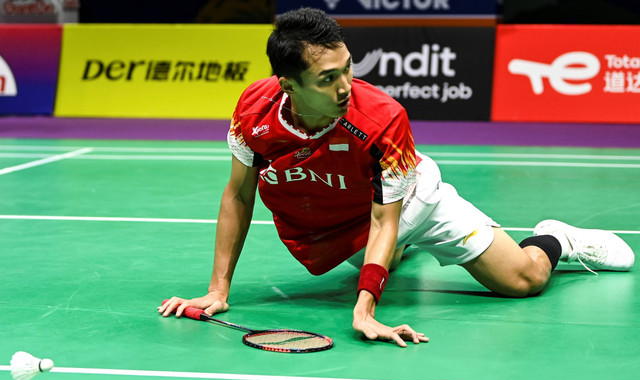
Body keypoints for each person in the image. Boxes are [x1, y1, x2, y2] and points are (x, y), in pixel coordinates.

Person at [159, 7, 635, 347]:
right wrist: (219, 291)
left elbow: (386, 220)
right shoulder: (254, 110)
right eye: (327, 79)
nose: (346, 87)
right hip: (345, 227)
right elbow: (238, 195)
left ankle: (557, 239)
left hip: (410, 202)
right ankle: (400, 258)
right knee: (385, 253)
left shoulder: (381, 118)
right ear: (288, 84)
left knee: (522, 280)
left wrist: (365, 309)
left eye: (348, 69)